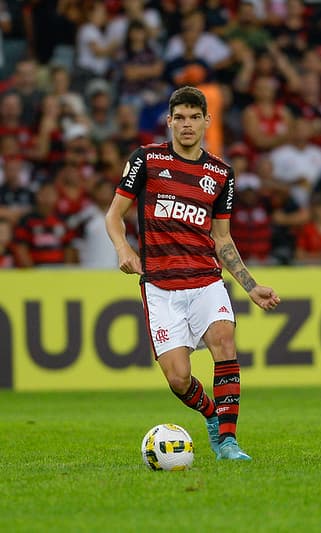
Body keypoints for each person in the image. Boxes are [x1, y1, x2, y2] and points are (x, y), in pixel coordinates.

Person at [105, 86, 280, 461]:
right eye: (179, 118)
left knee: (225, 343)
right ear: (169, 122)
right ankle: (212, 416)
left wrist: (249, 285)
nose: (186, 124)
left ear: (206, 121)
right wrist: (123, 248)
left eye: (194, 117)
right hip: (161, 287)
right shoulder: (146, 161)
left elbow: (222, 239)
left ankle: (229, 442)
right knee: (178, 378)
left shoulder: (220, 173)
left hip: (205, 280)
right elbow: (113, 215)